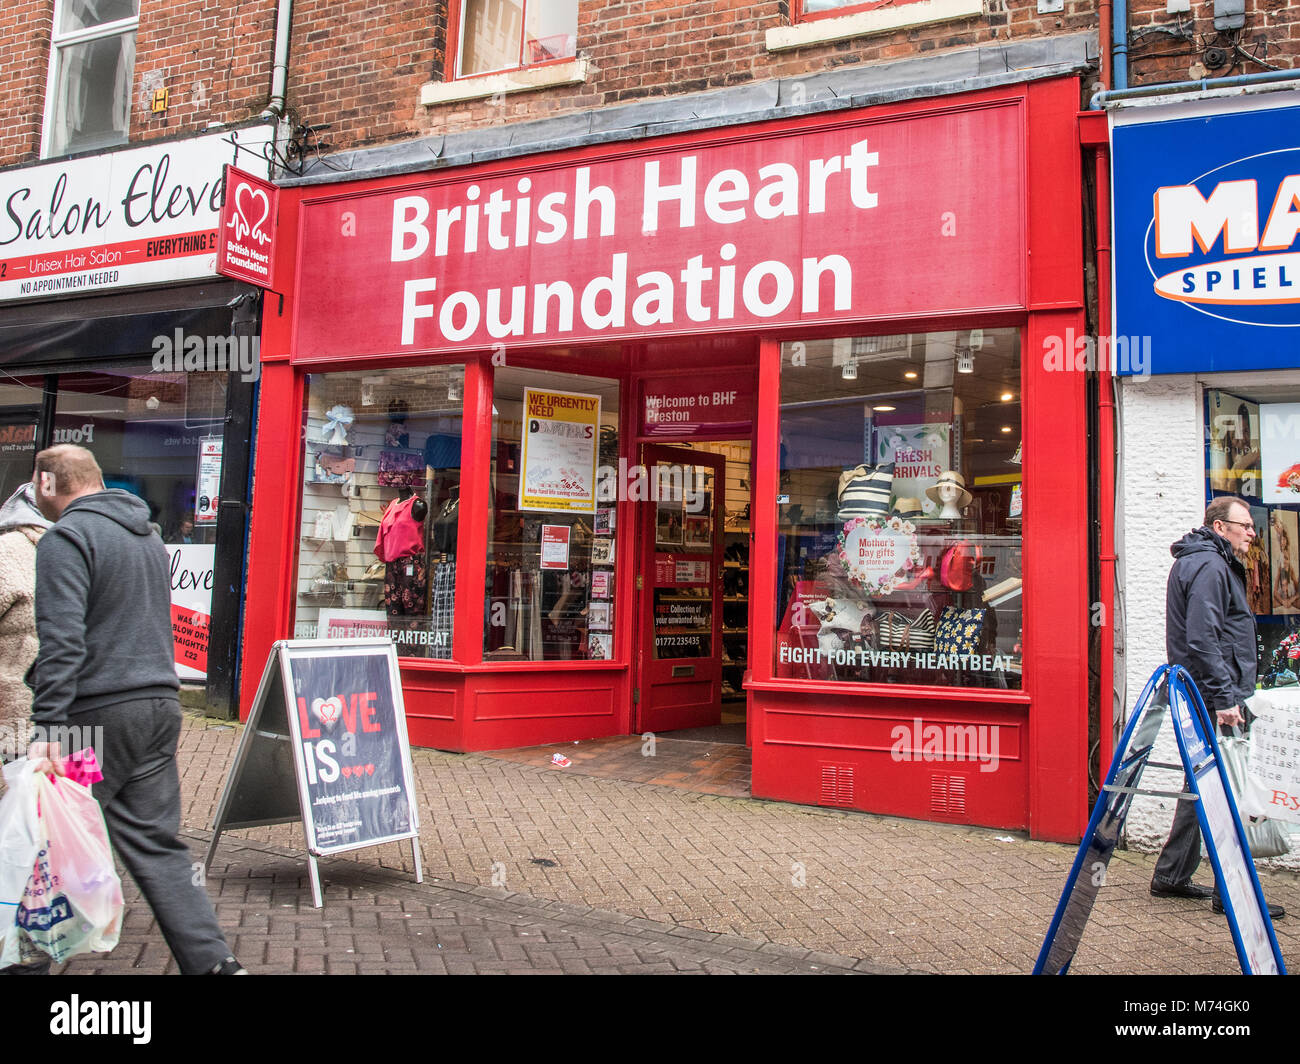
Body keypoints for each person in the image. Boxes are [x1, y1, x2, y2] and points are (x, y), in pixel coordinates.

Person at [24, 445, 247, 973]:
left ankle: (22, 961)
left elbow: (62, 641)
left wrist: (49, 726)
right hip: (158, 709)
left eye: (37, 485)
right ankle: (215, 963)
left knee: (51, 843)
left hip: (94, 724)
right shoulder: (146, 535)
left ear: (50, 485)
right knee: (157, 845)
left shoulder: (65, 539)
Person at [1151, 495, 1284, 919]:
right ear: (1219, 526)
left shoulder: (1201, 561)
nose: (1251, 532)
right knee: (1226, 790)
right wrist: (1225, 698)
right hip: (1213, 696)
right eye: (1244, 525)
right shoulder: (1210, 565)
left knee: (1203, 784)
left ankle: (1171, 875)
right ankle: (1232, 894)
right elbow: (1203, 637)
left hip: (1205, 692)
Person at [0, 481, 53, 975]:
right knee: (39, 832)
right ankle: (36, 936)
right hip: (64, 723)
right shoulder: (79, 550)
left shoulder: (12, 551)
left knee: (20, 831)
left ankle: (21, 944)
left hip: (19, 719)